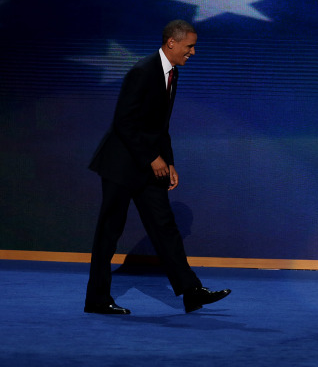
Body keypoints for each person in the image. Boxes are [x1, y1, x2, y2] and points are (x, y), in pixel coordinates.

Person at [84, 19, 231, 315]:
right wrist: (153, 158)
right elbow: (124, 122)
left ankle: (191, 291)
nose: (193, 52)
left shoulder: (172, 73)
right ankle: (97, 300)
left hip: (149, 166)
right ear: (171, 43)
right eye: (190, 46)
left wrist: (170, 162)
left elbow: (159, 128)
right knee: (109, 232)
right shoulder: (142, 71)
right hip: (121, 165)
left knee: (165, 227)